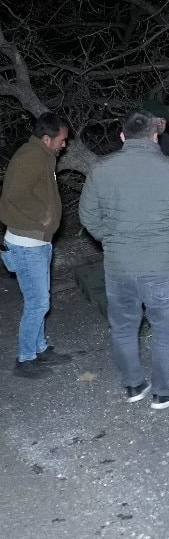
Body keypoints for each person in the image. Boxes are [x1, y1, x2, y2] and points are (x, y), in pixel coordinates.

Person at [79, 110, 169, 409]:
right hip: (162, 265)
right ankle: (162, 391)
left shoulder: (100, 170)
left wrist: (111, 240)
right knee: (165, 331)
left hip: (119, 266)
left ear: (122, 136)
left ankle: (133, 385)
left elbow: (88, 216)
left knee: (123, 327)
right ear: (155, 136)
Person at [0, 112, 72, 379]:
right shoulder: (31, 156)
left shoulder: (43, 155)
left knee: (40, 300)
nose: (64, 144)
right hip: (26, 244)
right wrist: (44, 215)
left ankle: (39, 348)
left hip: (36, 242)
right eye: (62, 139)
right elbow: (14, 195)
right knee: (37, 303)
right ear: (46, 138)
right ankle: (25, 358)